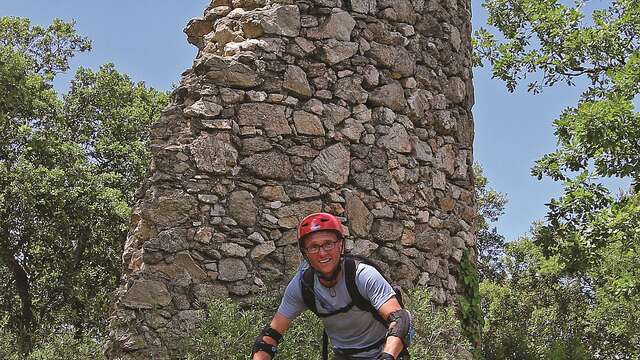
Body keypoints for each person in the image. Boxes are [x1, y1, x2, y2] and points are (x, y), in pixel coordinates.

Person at [251, 212, 412, 360]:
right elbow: (269, 337)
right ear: (304, 252)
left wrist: (387, 356)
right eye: (314, 247)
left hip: (385, 353)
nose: (322, 253)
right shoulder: (302, 286)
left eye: (328, 244)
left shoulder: (362, 275)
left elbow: (400, 320)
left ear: (340, 245)